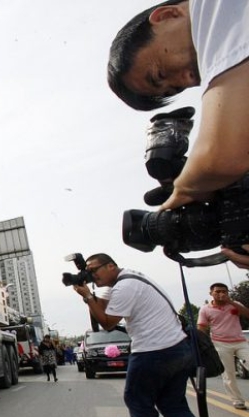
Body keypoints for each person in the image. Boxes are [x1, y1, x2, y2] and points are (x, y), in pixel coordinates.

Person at [72, 253, 234, 417]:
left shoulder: (124, 286)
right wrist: (90, 292)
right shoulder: (131, 279)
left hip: (153, 351)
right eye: (89, 271)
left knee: (136, 400)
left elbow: (107, 322)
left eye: (94, 269)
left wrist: (87, 296)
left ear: (111, 265)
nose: (92, 275)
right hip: (178, 349)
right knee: (174, 407)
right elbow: (106, 306)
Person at [107, 1, 249, 265]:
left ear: (166, 15)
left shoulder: (212, 10)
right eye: (176, 89)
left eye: (159, 73)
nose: (188, 81)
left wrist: (187, 187)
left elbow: (221, 157)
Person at [196, 283, 249, 410]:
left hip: (240, 341)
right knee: (228, 373)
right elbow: (202, 328)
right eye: (218, 291)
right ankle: (237, 400)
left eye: (224, 291)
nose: (221, 294)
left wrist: (231, 301)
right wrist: (204, 345)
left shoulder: (233, 304)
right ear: (211, 293)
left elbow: (247, 314)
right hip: (220, 344)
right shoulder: (205, 309)